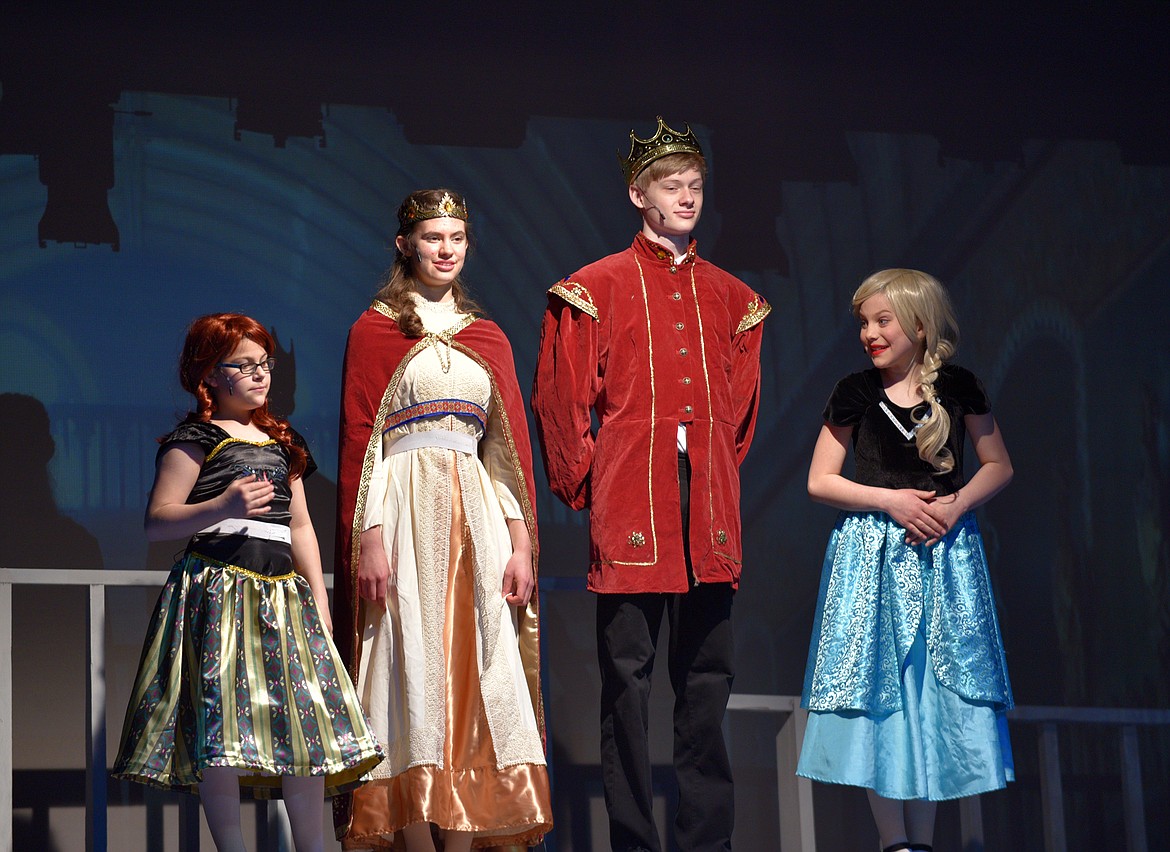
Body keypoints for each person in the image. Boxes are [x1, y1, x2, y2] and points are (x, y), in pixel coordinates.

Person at [531, 117, 769, 852]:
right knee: (625, 690)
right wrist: (586, 479)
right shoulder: (594, 288)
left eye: (696, 185)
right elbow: (561, 397)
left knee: (707, 686)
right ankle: (633, 839)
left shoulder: (735, 298)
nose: (687, 197)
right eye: (673, 186)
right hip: (634, 504)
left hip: (708, 516)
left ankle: (707, 841)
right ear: (639, 194)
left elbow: (740, 416)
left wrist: (717, 479)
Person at [332, 189, 552, 852]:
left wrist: (520, 542)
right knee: (410, 661)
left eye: (456, 237)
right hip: (402, 514)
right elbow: (358, 439)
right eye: (432, 237)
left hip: (477, 521)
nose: (446, 249)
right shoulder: (374, 330)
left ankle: (462, 834)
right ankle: (414, 840)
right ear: (405, 245)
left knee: (478, 662)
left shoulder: (487, 337)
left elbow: (505, 452)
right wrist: (368, 534)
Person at [114, 313, 383, 852]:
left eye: (265, 365)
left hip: (282, 598)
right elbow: (157, 519)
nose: (260, 376)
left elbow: (300, 526)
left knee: (302, 724)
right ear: (208, 374)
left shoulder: (283, 441)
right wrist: (222, 505)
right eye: (244, 365)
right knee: (224, 728)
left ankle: (312, 844)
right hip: (219, 594)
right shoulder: (196, 439)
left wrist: (320, 600)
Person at [796, 269, 1015, 852]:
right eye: (863, 322)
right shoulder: (855, 393)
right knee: (882, 691)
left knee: (933, 693)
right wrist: (889, 501)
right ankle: (895, 842)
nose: (869, 332)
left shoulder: (960, 387)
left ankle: (923, 841)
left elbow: (999, 464)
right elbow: (820, 480)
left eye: (882, 320)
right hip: (873, 557)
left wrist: (956, 506)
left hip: (944, 557)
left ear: (919, 323)